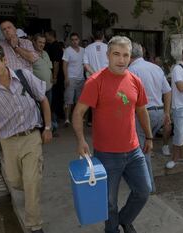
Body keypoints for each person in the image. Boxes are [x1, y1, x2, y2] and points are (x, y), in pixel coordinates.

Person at [73, 36, 152, 233]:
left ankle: (124, 220)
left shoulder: (135, 81)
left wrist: (149, 137)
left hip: (133, 151)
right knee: (109, 203)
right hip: (107, 154)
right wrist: (81, 139)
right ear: (108, 55)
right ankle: (112, 229)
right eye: (116, 54)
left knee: (144, 191)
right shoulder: (95, 81)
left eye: (126, 55)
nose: (121, 59)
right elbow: (78, 112)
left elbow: (142, 110)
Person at [0, 42, 52, 233]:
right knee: (15, 181)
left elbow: (43, 99)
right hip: (8, 141)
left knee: (31, 181)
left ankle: (34, 225)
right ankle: (30, 188)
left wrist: (48, 127)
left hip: (31, 136)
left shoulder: (24, 76)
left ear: (4, 60)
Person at [129, 42, 172, 192]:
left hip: (144, 114)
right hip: (158, 113)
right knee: (145, 146)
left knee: (143, 151)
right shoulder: (156, 68)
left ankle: (149, 187)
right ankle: (139, 179)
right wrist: (166, 112)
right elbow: (167, 91)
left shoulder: (131, 70)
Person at [32, 33, 58, 135]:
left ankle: (48, 130)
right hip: (38, 89)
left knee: (48, 109)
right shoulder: (31, 55)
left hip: (48, 87)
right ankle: (41, 131)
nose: (42, 44)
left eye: (43, 42)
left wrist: (52, 76)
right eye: (39, 42)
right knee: (39, 111)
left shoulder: (46, 53)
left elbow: (49, 67)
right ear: (34, 42)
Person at [62, 33, 85, 126]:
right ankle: (67, 119)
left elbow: (85, 64)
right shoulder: (68, 51)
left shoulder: (83, 50)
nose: (74, 41)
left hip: (81, 78)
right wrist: (66, 77)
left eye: (76, 39)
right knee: (68, 100)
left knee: (79, 100)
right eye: (72, 40)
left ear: (79, 40)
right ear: (70, 41)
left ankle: (78, 117)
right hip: (71, 78)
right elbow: (64, 65)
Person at [45, 30, 65, 120]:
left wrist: (55, 76)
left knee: (56, 96)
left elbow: (56, 62)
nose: (45, 38)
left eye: (46, 35)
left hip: (57, 75)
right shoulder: (50, 45)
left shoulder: (56, 46)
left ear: (50, 35)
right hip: (55, 74)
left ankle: (58, 115)